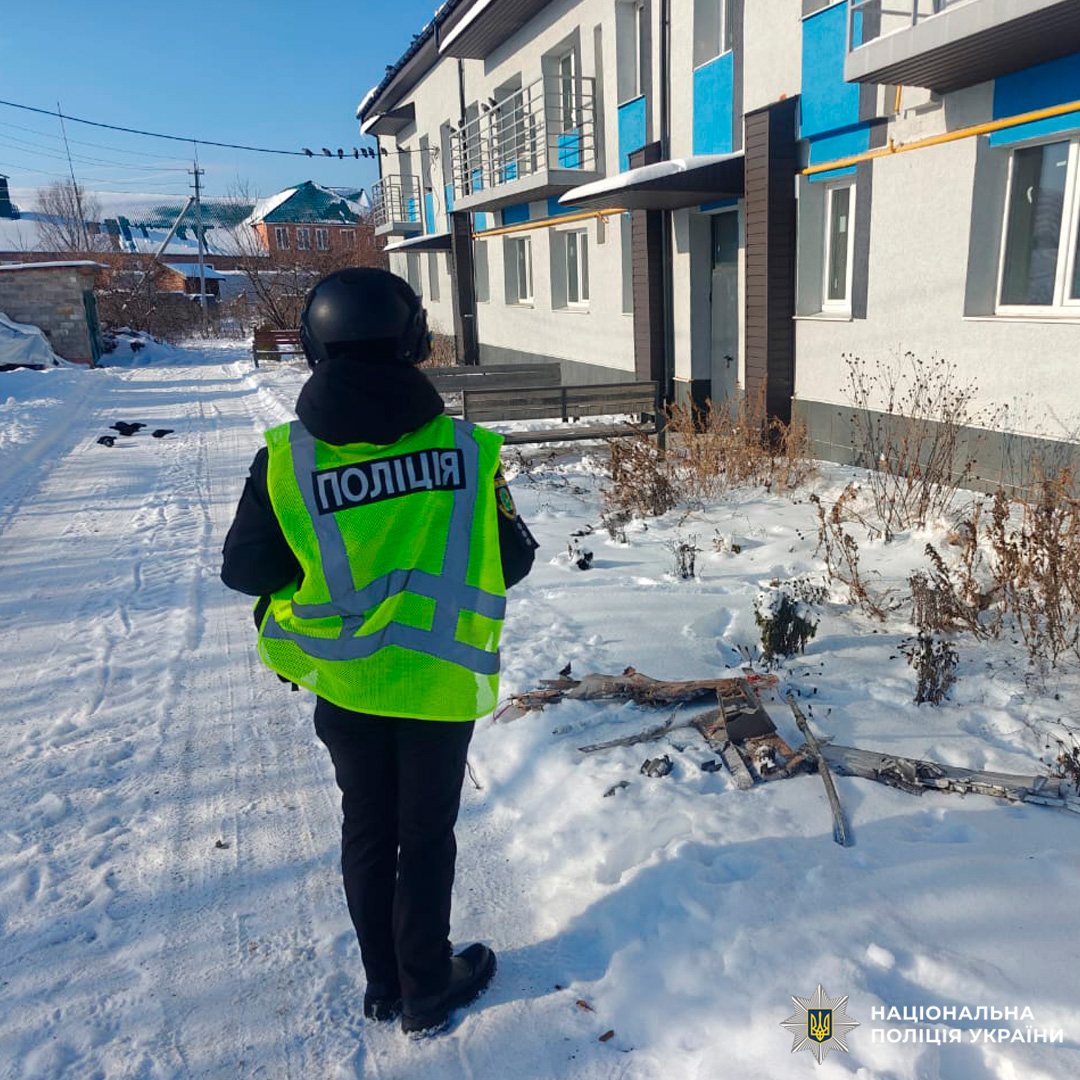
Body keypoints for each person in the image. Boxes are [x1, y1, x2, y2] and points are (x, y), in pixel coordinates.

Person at [220, 267, 537, 1036]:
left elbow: (245, 570)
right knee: (425, 836)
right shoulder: (467, 453)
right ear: (415, 341)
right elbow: (516, 558)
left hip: (348, 683)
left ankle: (383, 986)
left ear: (310, 347)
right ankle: (428, 989)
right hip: (434, 682)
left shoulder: (286, 463)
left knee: (367, 829)